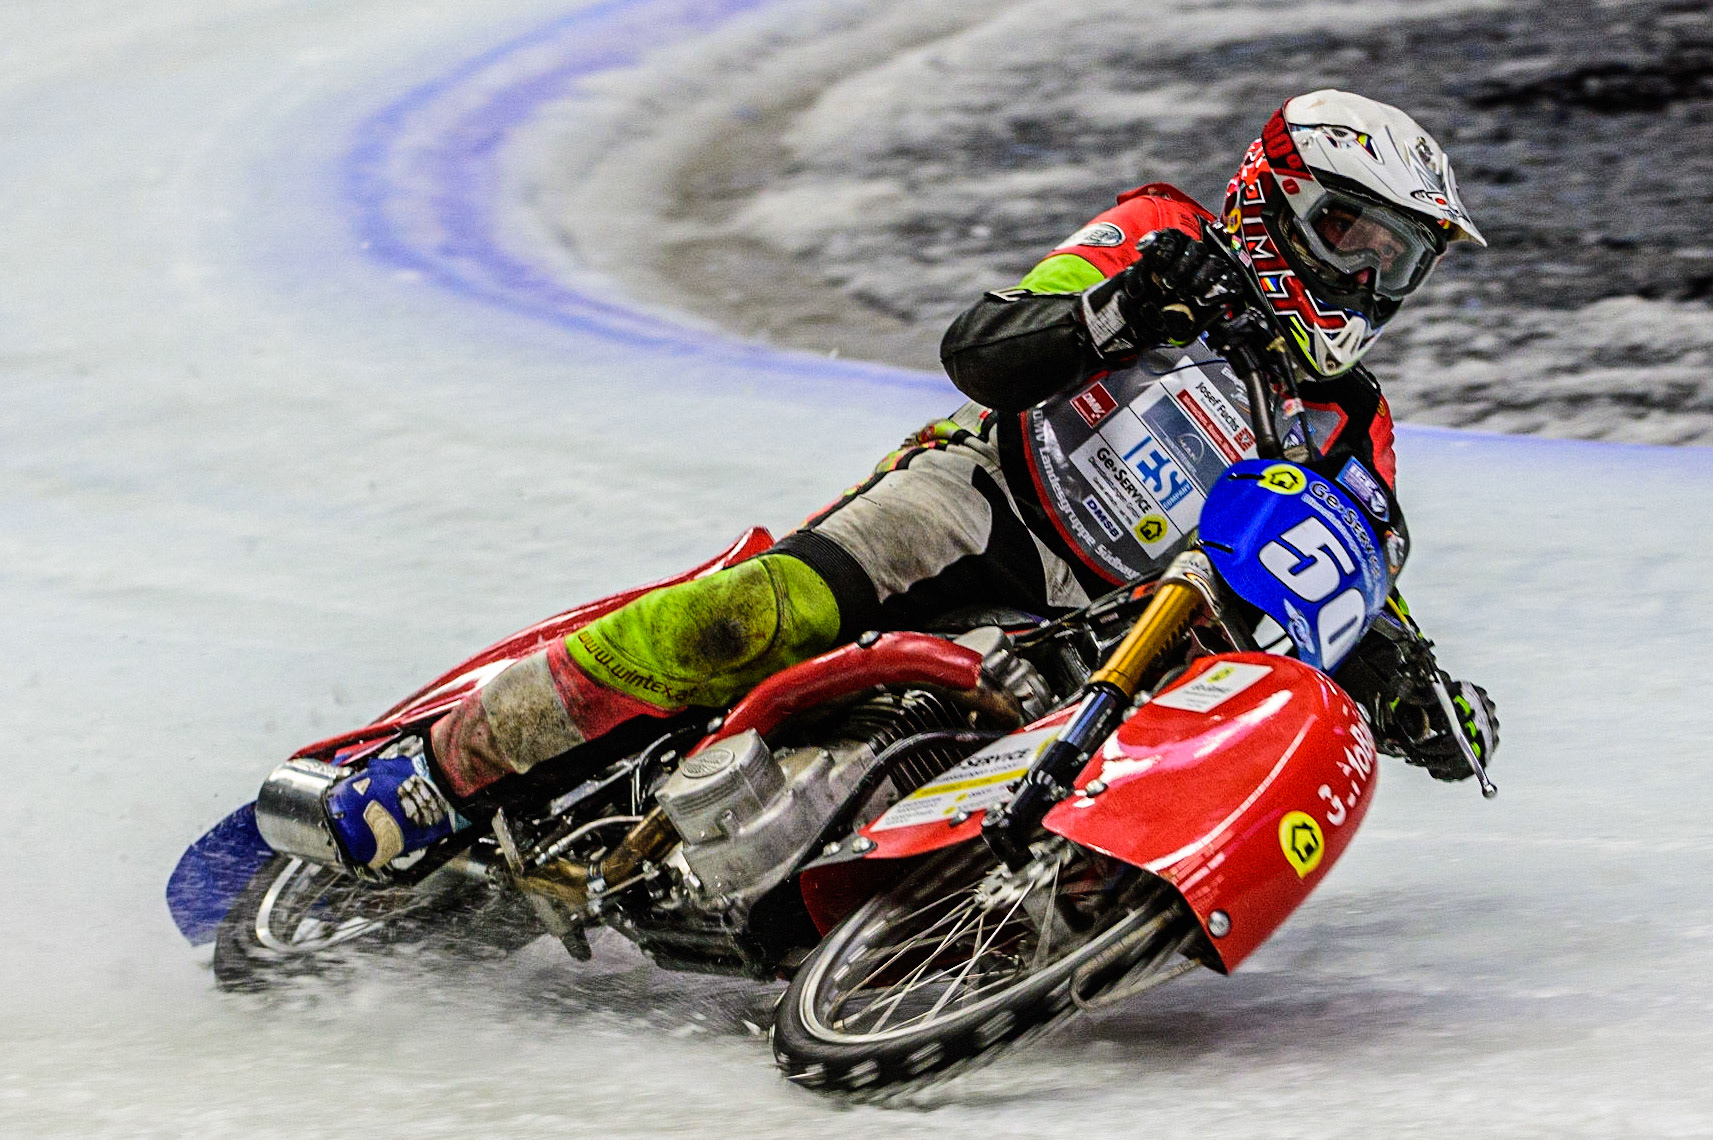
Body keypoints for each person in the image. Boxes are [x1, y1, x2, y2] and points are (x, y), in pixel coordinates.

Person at [323, 90, 1501, 872]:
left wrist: (1412, 676)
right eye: (1354, 235)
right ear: (1278, 200)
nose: (1370, 277)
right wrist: (1130, 302)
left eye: (1397, 260)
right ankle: (438, 774)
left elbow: (1347, 557)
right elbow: (984, 350)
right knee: (762, 611)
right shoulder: (1156, 232)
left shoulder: (1350, 420)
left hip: (1114, 628)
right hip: (986, 498)